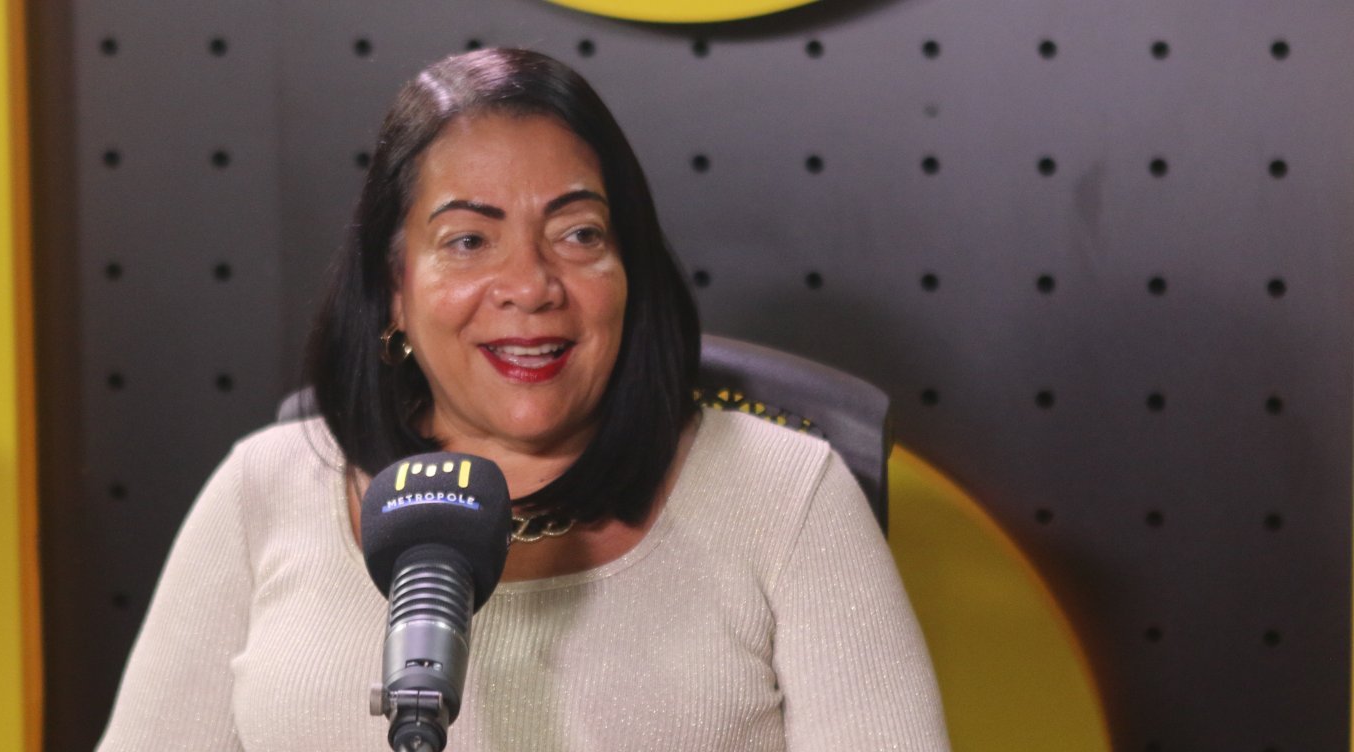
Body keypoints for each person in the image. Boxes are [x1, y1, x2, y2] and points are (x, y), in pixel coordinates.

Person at [97, 48, 948, 751]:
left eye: (578, 234)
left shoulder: (787, 497)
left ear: (630, 274)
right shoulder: (263, 488)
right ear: (394, 292)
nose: (530, 285)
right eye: (469, 240)